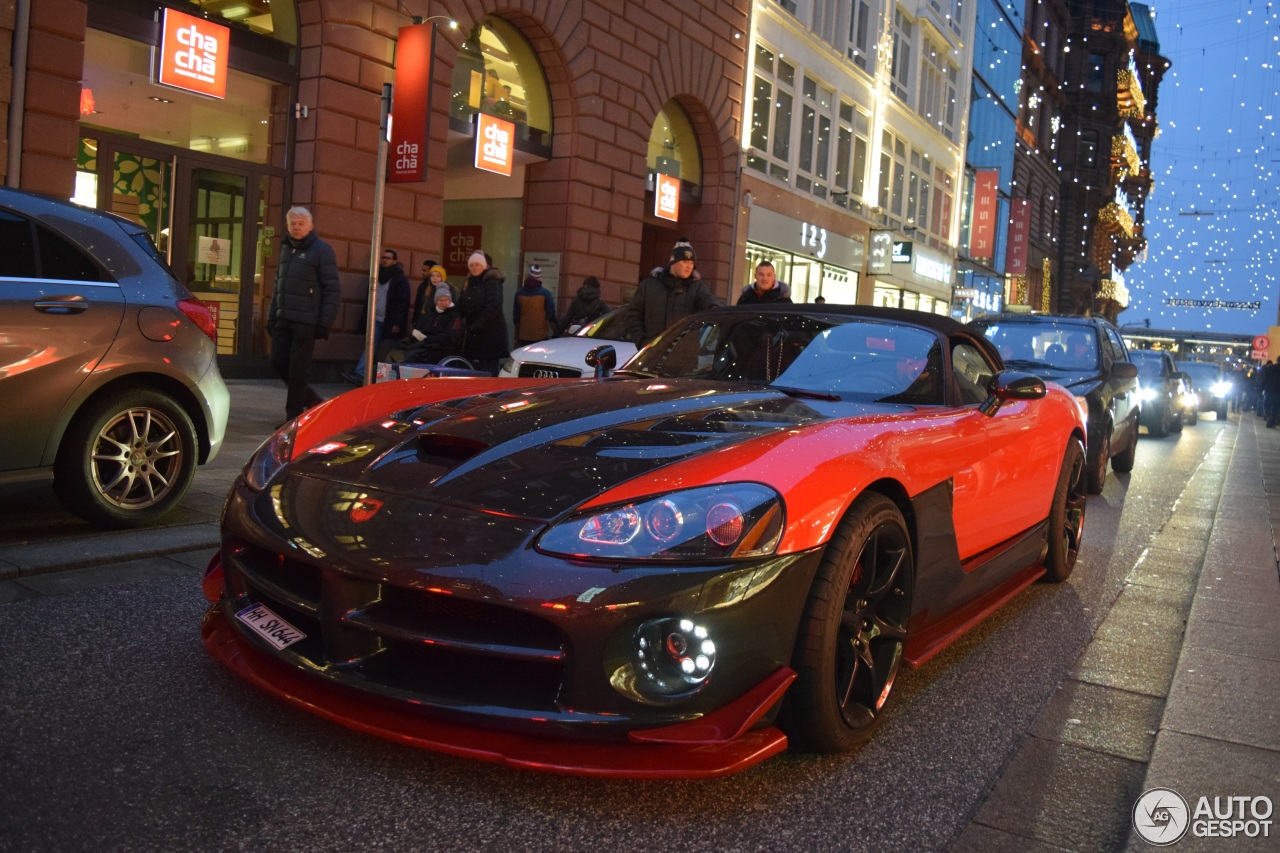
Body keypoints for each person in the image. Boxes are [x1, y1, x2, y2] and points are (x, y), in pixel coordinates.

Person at [268, 206, 341, 423]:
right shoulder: (286, 250)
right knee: (278, 362)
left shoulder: (321, 250)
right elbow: (278, 285)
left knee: (298, 371)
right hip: (283, 319)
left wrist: (324, 323)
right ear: (287, 226)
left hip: (306, 322)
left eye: (301, 224)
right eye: (293, 224)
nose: (297, 227)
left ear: (311, 226)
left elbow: (332, 290)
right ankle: (312, 399)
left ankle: (293, 417)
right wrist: (272, 317)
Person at [623, 237, 720, 345]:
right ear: (673, 260)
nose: (689, 266)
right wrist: (642, 342)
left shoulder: (697, 288)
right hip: (652, 356)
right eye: (685, 261)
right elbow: (633, 315)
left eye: (692, 263)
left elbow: (713, 308)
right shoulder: (649, 286)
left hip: (683, 358)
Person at [348, 248, 410, 384]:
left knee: (384, 349)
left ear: (394, 261)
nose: (384, 260)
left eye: (388, 258)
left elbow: (402, 303)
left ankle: (376, 377)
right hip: (375, 319)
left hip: (389, 320)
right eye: (383, 257)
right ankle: (361, 373)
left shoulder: (399, 279)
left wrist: (398, 323)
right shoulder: (377, 275)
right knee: (371, 346)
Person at [457, 250, 509, 375]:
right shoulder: (468, 283)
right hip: (474, 336)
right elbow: (461, 306)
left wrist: (476, 326)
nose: (474, 268)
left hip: (490, 335)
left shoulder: (491, 282)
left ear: (484, 266)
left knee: (488, 371)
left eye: (477, 265)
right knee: (474, 372)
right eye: (472, 265)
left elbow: (493, 307)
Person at [386, 285, 465, 365]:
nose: (443, 303)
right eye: (440, 300)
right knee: (396, 350)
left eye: (446, 300)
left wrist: (427, 339)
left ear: (450, 300)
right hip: (424, 345)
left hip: (441, 349)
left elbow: (450, 337)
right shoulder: (430, 313)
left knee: (410, 357)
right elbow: (420, 328)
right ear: (436, 301)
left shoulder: (455, 316)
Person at [513, 264, 557, 346]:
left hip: (523, 336)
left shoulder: (519, 293)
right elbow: (551, 316)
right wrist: (556, 333)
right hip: (540, 336)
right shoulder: (545, 293)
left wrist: (517, 337)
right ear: (539, 277)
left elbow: (516, 317)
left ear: (528, 275)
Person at [411, 259, 443, 326]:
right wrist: (415, 321)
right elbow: (418, 305)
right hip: (421, 323)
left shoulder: (440, 288)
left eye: (424, 271)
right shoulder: (422, 286)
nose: (422, 273)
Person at [1265, 358, 1280, 427]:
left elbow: (1265, 378)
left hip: (1269, 389)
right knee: (1275, 406)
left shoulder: (1270, 368)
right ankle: (1272, 420)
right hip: (1277, 390)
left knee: (1267, 404)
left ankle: (1268, 416)